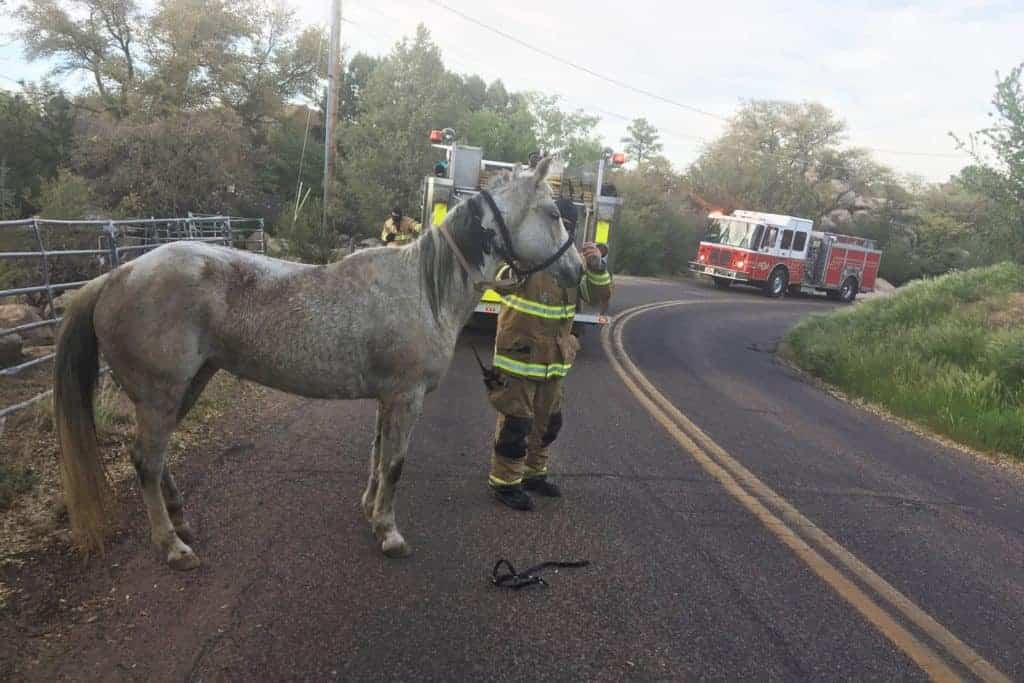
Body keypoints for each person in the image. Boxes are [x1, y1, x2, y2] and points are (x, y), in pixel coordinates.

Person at [486, 197, 613, 510]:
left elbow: (598, 296)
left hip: (553, 361)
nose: (561, 231)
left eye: (567, 226)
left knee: (548, 422)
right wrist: (525, 260)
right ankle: (505, 483)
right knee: (515, 424)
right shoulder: (523, 253)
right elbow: (500, 281)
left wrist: (597, 267)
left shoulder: (574, 264)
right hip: (518, 358)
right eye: (557, 224)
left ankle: (534, 474)